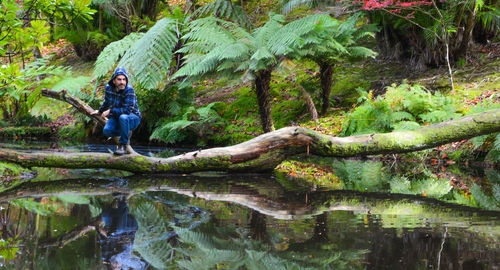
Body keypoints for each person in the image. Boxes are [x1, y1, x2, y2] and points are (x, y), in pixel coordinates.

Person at [92, 67, 141, 155]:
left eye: (124, 79)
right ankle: (126, 131)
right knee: (107, 131)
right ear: (114, 80)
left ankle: (123, 145)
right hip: (117, 117)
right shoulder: (108, 88)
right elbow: (106, 102)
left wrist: (110, 111)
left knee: (123, 117)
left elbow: (127, 110)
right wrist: (99, 111)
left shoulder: (129, 90)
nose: (122, 82)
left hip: (132, 117)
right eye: (119, 79)